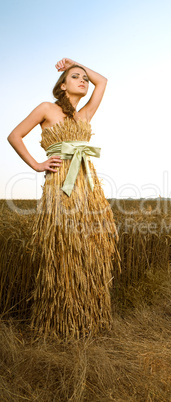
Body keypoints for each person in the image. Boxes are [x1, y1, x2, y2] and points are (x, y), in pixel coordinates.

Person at [7, 58, 120, 339]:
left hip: (89, 188)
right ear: (62, 84)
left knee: (90, 249)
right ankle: (59, 322)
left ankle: (89, 319)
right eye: (75, 76)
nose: (83, 80)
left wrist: (76, 62)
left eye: (84, 77)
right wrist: (37, 164)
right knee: (62, 249)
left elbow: (102, 81)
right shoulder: (47, 109)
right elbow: (14, 135)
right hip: (61, 186)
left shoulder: (83, 116)